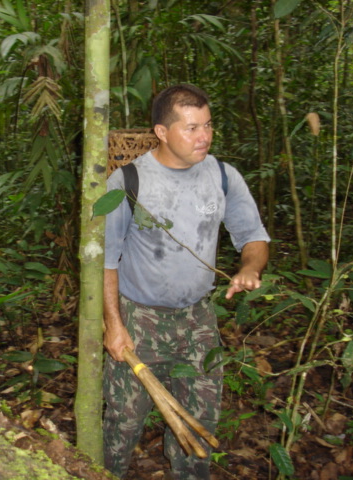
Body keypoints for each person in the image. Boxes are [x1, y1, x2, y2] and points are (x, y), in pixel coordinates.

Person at [103, 84, 270, 479]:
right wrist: (113, 324)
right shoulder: (127, 182)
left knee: (200, 425)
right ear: (162, 132)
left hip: (198, 321)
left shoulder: (223, 176)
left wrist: (250, 268)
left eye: (208, 125)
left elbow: (253, 236)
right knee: (123, 425)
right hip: (138, 319)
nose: (205, 137)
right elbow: (105, 262)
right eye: (192, 128)